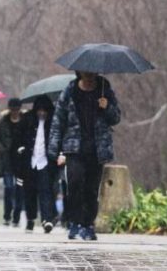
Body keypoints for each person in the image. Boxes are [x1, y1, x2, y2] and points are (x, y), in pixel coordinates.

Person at [48, 72, 121, 241]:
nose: (88, 76)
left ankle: (88, 225)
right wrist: (55, 148)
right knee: (74, 184)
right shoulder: (70, 91)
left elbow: (116, 117)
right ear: (79, 73)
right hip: (74, 148)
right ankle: (74, 222)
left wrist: (107, 107)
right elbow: (59, 120)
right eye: (85, 73)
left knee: (91, 188)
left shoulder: (105, 91)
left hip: (97, 149)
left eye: (91, 73)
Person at [18, 95, 57, 234]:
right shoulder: (27, 119)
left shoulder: (53, 122)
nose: (42, 113)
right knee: (29, 192)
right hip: (30, 161)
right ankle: (31, 219)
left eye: (44, 110)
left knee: (45, 191)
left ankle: (47, 219)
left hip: (45, 162)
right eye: (39, 110)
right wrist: (21, 149)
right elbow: (19, 136)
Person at [0, 97, 24, 227]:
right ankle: (7, 215)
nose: (15, 112)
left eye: (17, 109)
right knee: (9, 188)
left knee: (20, 189)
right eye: (13, 109)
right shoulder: (2, 123)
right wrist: (2, 148)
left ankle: (16, 216)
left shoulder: (25, 121)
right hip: (7, 161)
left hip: (21, 161)